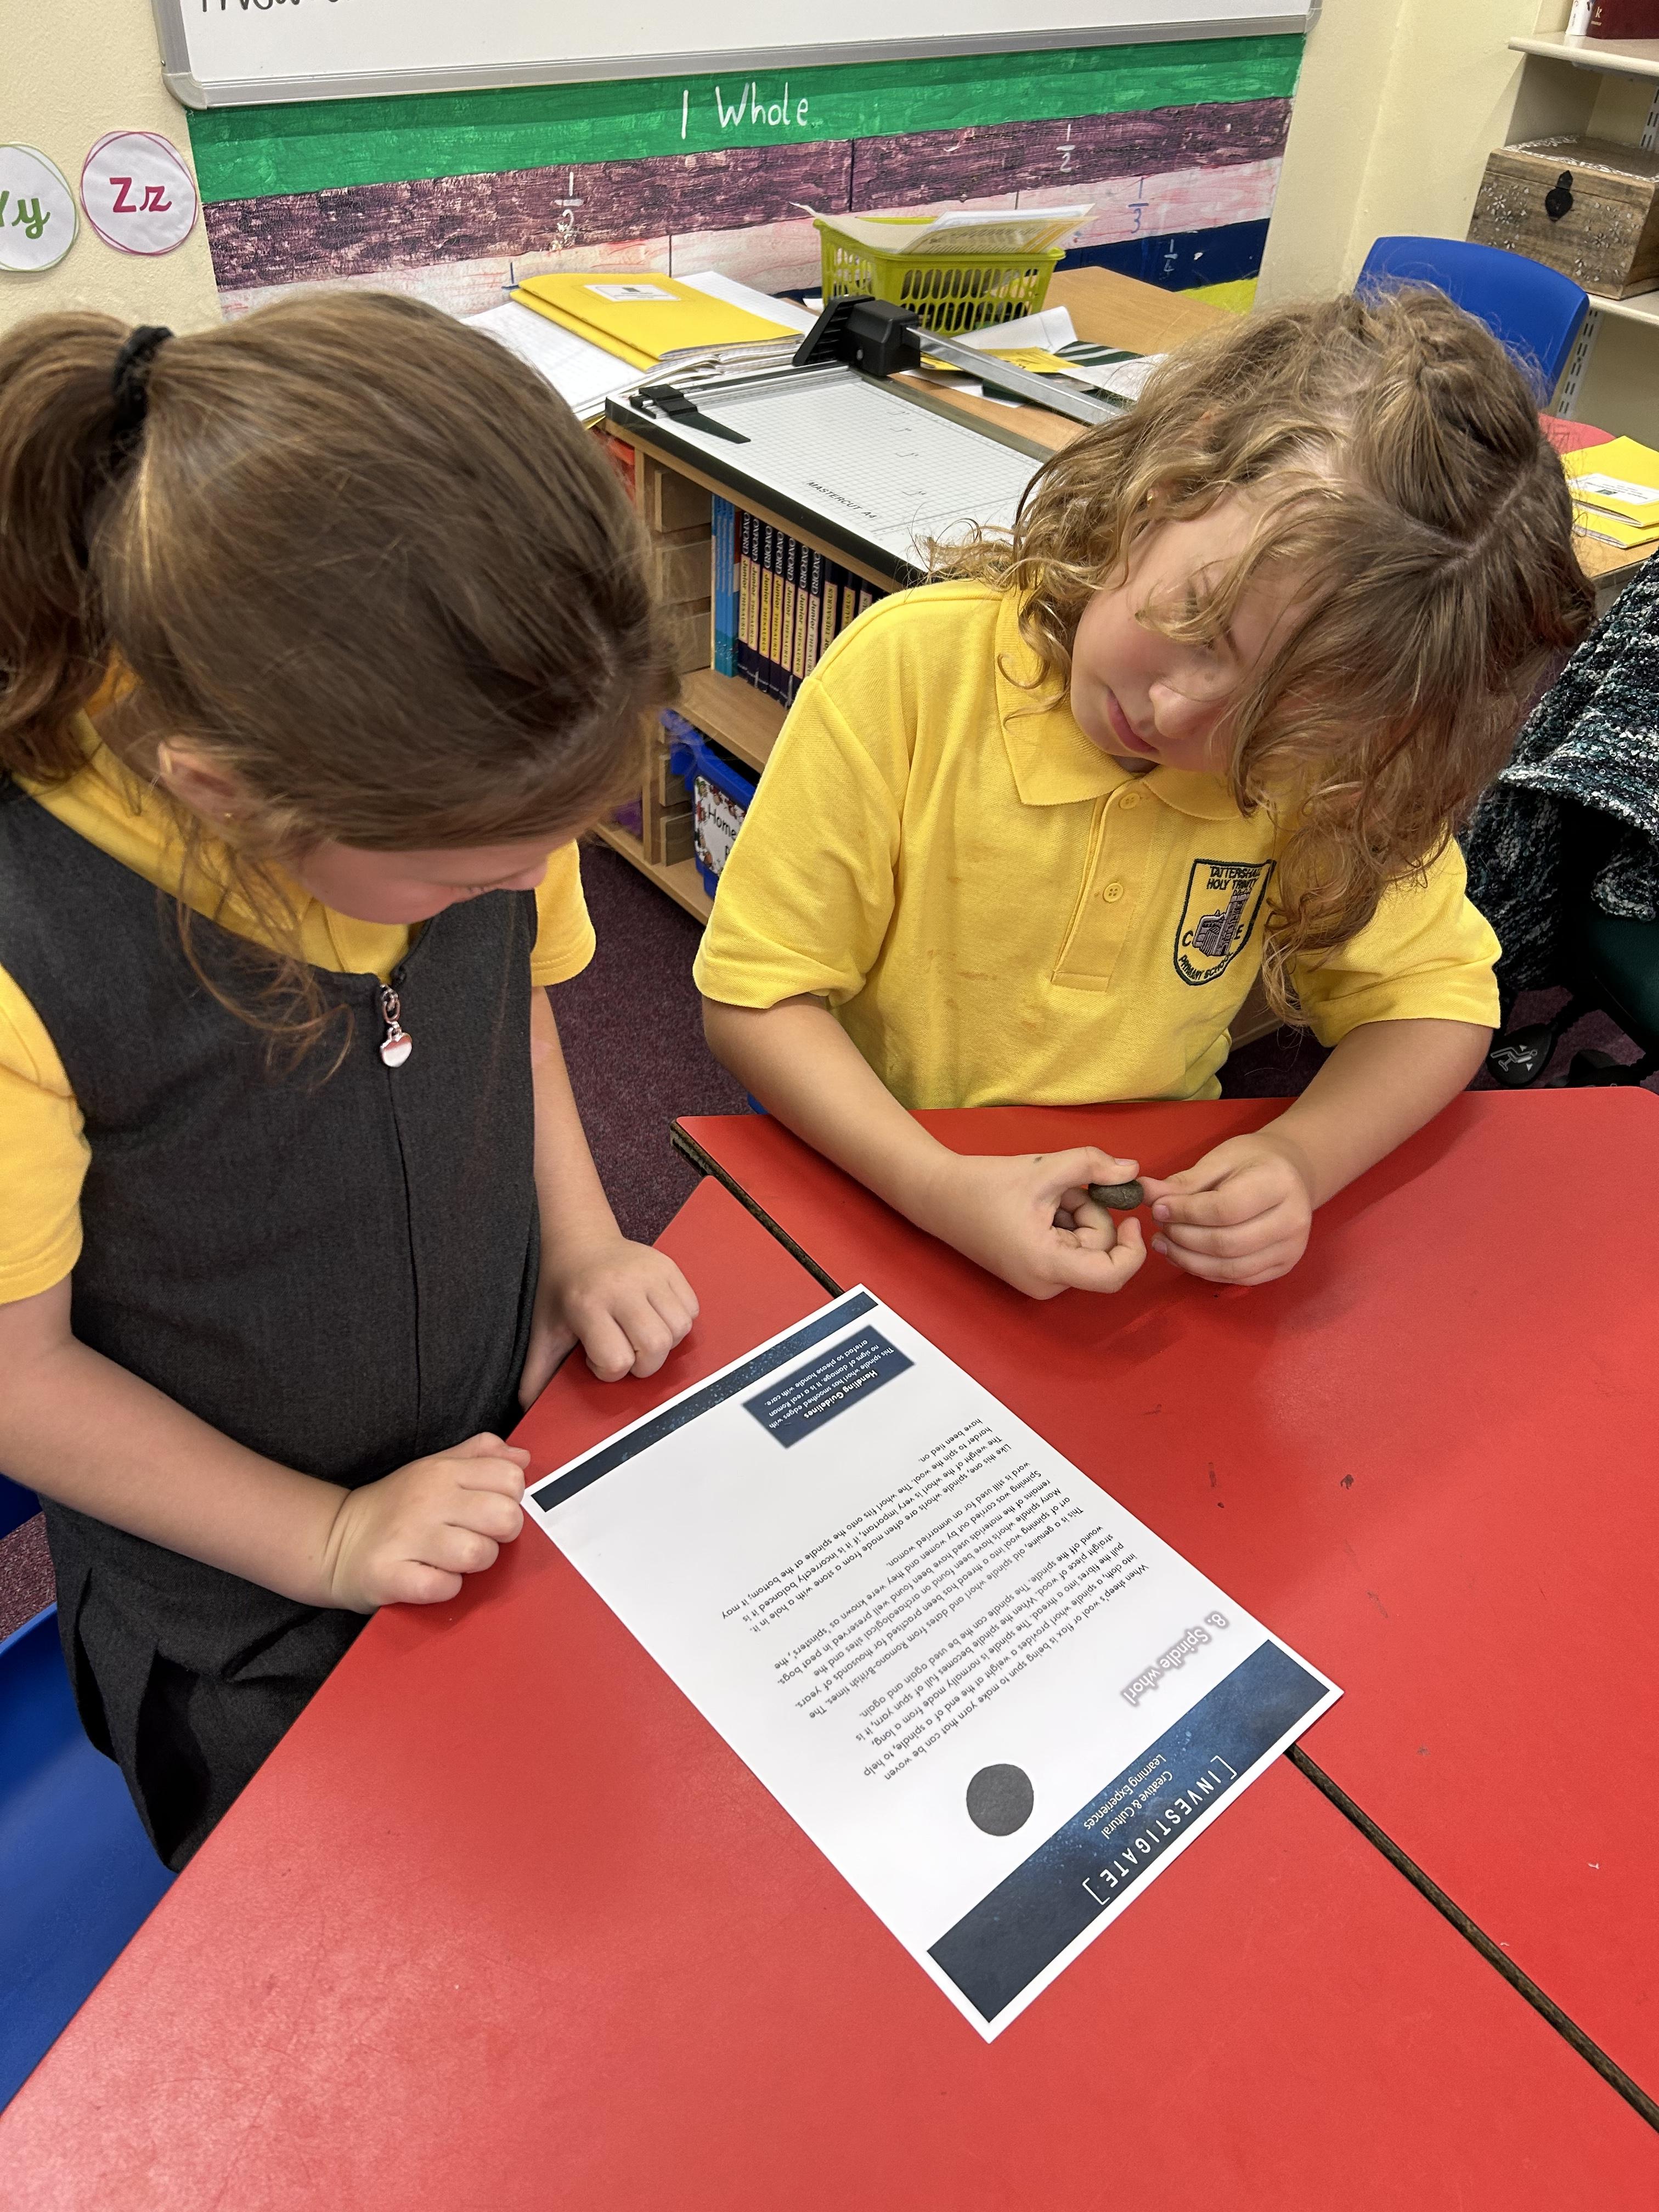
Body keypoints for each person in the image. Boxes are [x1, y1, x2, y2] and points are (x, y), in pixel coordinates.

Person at [0, 297, 697, 1867]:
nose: (524, 884)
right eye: (471, 874)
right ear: (225, 796)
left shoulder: (470, 781)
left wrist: (584, 1244)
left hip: (490, 1459)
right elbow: (17, 1383)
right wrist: (326, 1538)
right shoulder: (29, 955)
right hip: (239, 1610)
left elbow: (516, 1010)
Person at [696, 291, 1593, 1297]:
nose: (1175, 710)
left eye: (1266, 723)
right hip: (876, 1171)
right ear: (1167, 486)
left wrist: (1303, 1157)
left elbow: (1437, 1005)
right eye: (1200, 623)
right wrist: (935, 1184)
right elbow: (756, 1000)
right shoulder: (909, 675)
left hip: (1125, 1225)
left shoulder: (1323, 773)